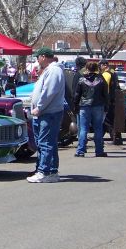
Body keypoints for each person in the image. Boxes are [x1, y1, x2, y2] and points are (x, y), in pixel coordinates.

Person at [27, 47, 65, 183]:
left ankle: (44, 171)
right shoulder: (49, 70)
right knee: (47, 142)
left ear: (43, 57)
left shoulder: (54, 70)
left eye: (38, 57)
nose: (37, 60)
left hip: (49, 112)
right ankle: (51, 170)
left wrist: (39, 107)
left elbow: (49, 91)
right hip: (46, 112)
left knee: (46, 143)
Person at [73, 60, 108, 157]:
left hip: (84, 106)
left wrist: (75, 106)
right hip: (98, 106)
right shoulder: (101, 80)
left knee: (83, 128)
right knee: (98, 128)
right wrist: (106, 107)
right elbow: (106, 94)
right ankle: (99, 151)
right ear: (97, 69)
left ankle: (80, 151)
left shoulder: (82, 80)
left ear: (87, 69)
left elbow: (77, 95)